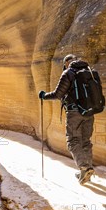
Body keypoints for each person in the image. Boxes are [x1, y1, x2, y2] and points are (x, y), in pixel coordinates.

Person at [39, 54, 98, 184]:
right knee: (85, 141)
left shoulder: (68, 73)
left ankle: (85, 167)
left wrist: (44, 96)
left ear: (66, 63)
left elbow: (57, 94)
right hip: (89, 111)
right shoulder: (89, 72)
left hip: (74, 112)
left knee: (73, 141)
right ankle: (87, 169)